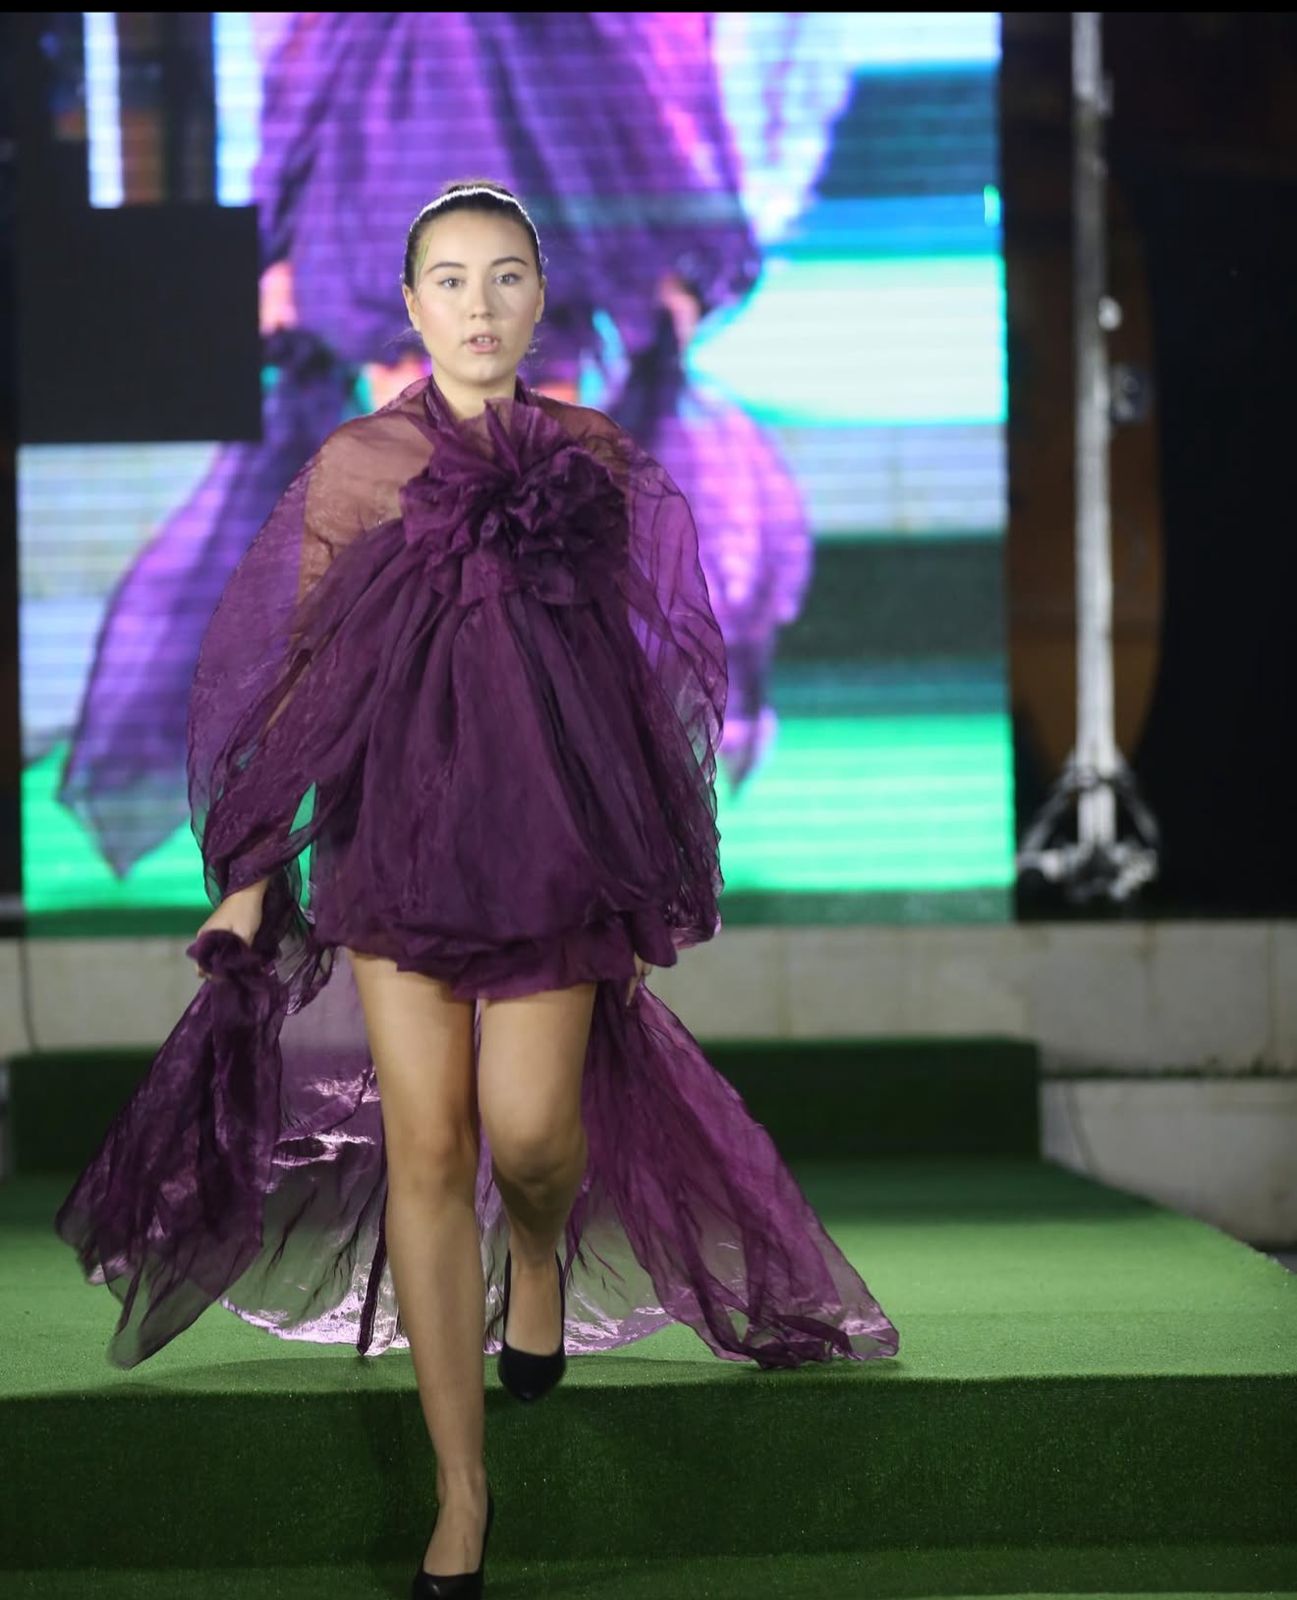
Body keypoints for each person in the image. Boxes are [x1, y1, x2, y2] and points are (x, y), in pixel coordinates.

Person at [55, 181, 899, 1600]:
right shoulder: (356, 466)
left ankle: (542, 1257)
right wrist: (252, 877)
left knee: (534, 1139)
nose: (478, 305)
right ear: (408, 306)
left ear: (539, 298)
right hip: (392, 847)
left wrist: (644, 854)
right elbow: (295, 679)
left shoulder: (593, 458)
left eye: (505, 276)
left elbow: (642, 670)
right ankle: (462, 1491)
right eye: (448, 280)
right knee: (429, 1150)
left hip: (548, 851)